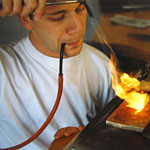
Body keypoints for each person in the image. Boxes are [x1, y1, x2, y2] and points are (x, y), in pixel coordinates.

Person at [0, 0, 115, 149]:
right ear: (26, 19)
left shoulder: (101, 64)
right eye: (58, 17)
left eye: (80, 10)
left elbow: (112, 132)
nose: (78, 28)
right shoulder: (5, 67)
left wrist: (89, 139)